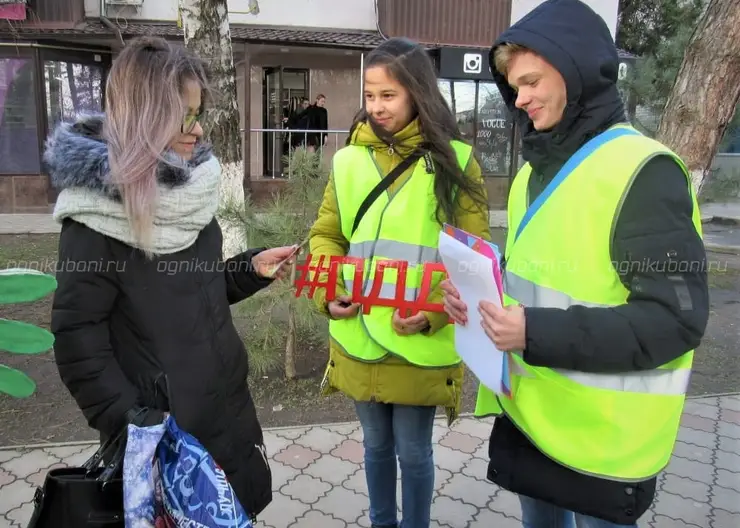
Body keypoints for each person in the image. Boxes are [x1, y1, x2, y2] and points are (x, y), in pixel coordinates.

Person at [441, 0, 710, 526]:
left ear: (577, 69)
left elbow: (675, 320)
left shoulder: (643, 172)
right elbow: (540, 278)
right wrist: (478, 300)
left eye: (533, 81)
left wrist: (531, 330)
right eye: (515, 87)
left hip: (604, 449)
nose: (520, 100)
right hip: (532, 420)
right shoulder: (529, 176)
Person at [45, 36, 297, 521]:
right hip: (169, 440)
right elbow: (77, 342)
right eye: (184, 116)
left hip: (226, 413)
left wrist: (249, 269)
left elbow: (195, 288)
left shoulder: (188, 190)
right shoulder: (93, 222)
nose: (198, 130)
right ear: (144, 117)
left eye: (197, 113)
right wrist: (137, 425)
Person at [308, 37, 491, 528]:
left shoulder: (454, 160)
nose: (376, 107)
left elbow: (473, 256)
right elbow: (327, 234)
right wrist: (330, 290)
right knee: (374, 446)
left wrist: (433, 312)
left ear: (417, 93)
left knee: (413, 452)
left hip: (419, 337)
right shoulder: (348, 160)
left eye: (387, 95)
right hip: (358, 333)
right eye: (370, 95)